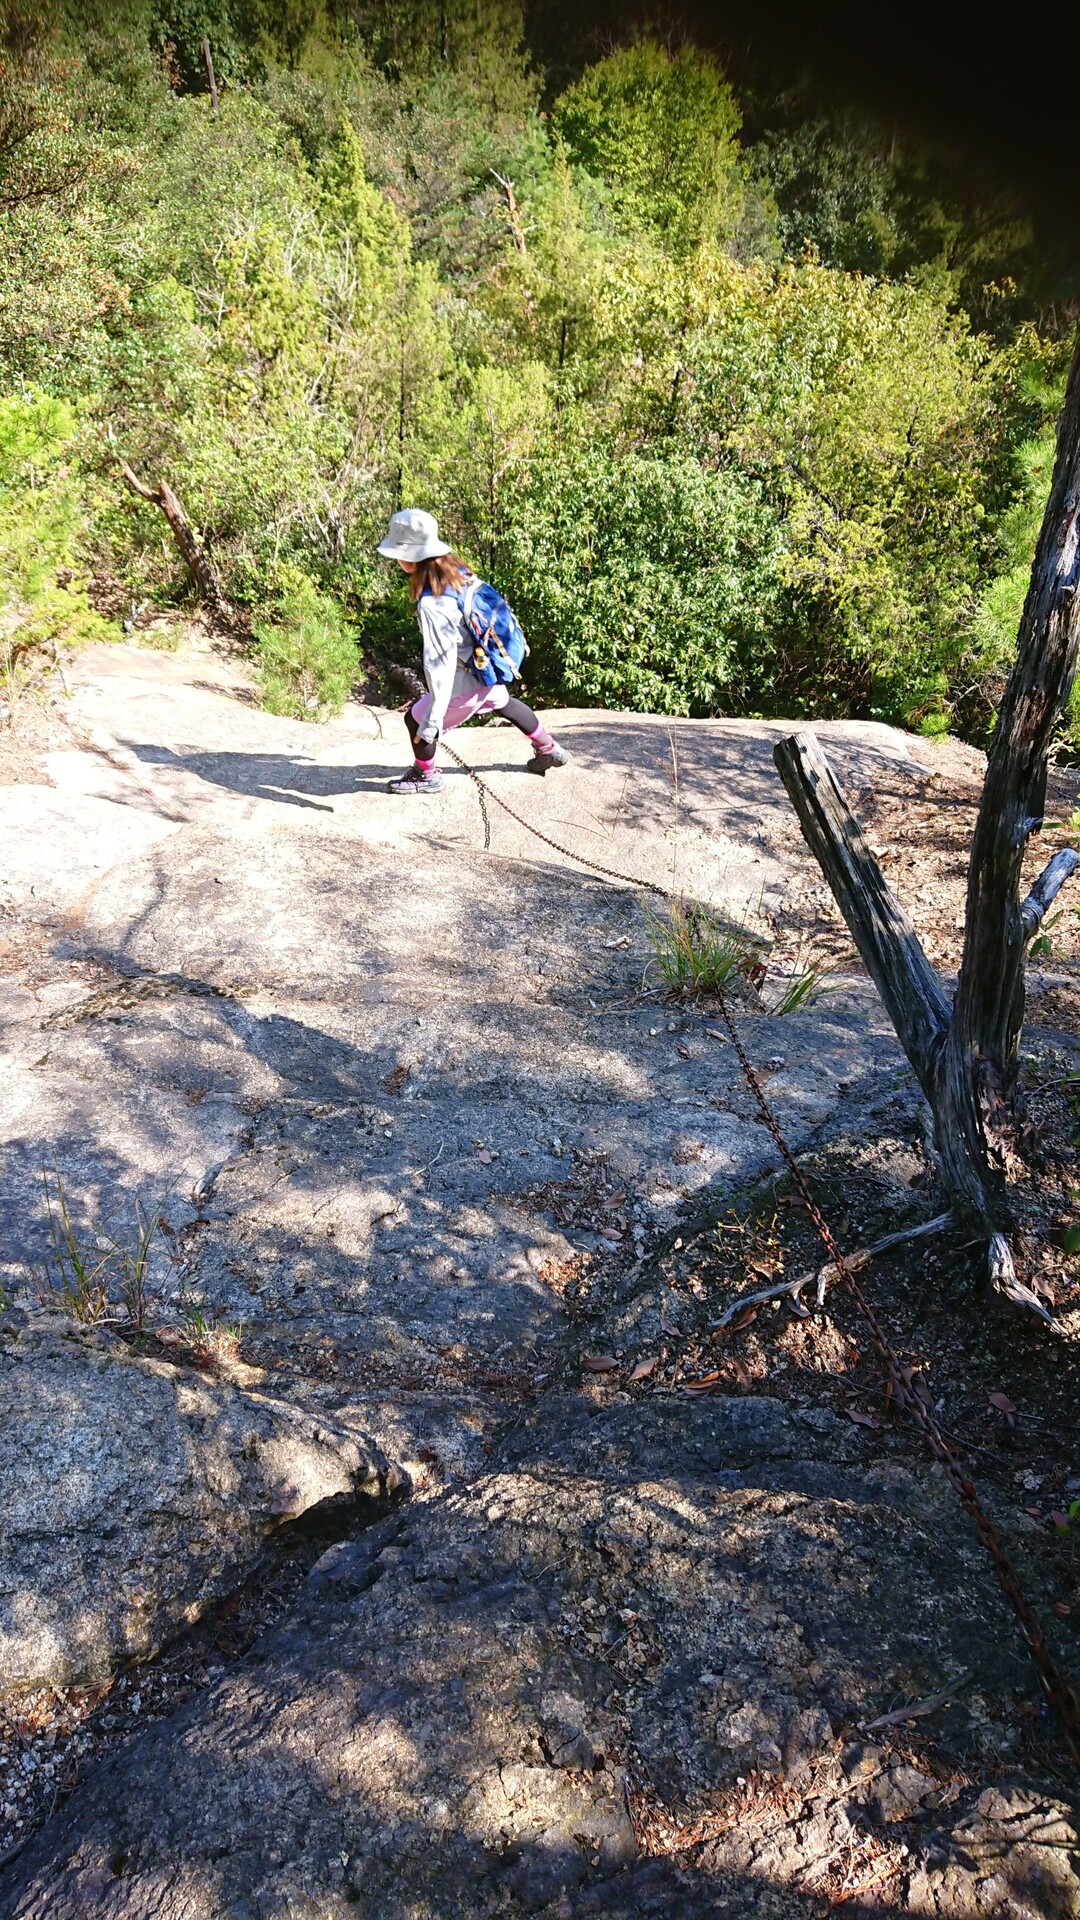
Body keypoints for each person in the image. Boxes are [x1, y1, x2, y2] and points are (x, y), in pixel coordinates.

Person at [376, 508, 570, 795]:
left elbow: (439, 663)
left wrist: (432, 719)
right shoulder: (459, 574)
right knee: (505, 703)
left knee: (415, 719)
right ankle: (548, 749)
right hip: (486, 668)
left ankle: (425, 775)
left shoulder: (433, 603)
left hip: (466, 679)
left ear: (409, 556)